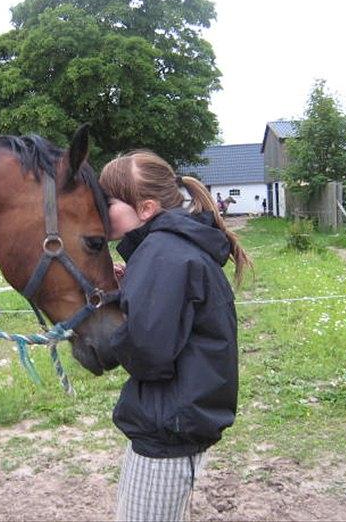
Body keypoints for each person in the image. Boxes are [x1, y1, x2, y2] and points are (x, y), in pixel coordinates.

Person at [99, 150, 252, 522]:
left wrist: (104, 319)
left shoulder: (162, 253)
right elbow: (168, 317)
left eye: (109, 202)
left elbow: (148, 353)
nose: (100, 211)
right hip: (179, 420)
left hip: (168, 430)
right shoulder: (168, 249)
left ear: (146, 208)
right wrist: (129, 291)